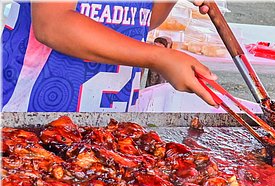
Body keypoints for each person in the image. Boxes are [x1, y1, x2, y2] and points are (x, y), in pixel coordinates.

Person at [2, 1, 217, 112]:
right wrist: (158, 57)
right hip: (33, 109)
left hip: (110, 115)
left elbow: (140, 20)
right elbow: (52, 24)